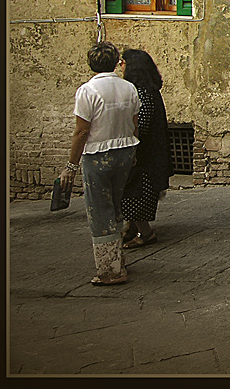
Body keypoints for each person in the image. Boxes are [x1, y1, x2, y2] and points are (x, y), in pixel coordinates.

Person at [59, 42, 139, 286]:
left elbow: (82, 131)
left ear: (91, 64)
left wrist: (71, 165)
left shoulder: (87, 91)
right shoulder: (128, 88)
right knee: (115, 205)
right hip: (125, 151)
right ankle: (118, 259)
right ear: (115, 62)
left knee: (99, 210)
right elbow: (134, 124)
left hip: (98, 154)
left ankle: (110, 270)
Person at [119, 49, 172, 249]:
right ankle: (132, 228)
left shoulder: (142, 94)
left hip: (144, 155)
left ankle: (145, 232)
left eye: (123, 62)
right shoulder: (146, 91)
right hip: (147, 153)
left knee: (134, 193)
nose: (120, 66)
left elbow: (141, 125)